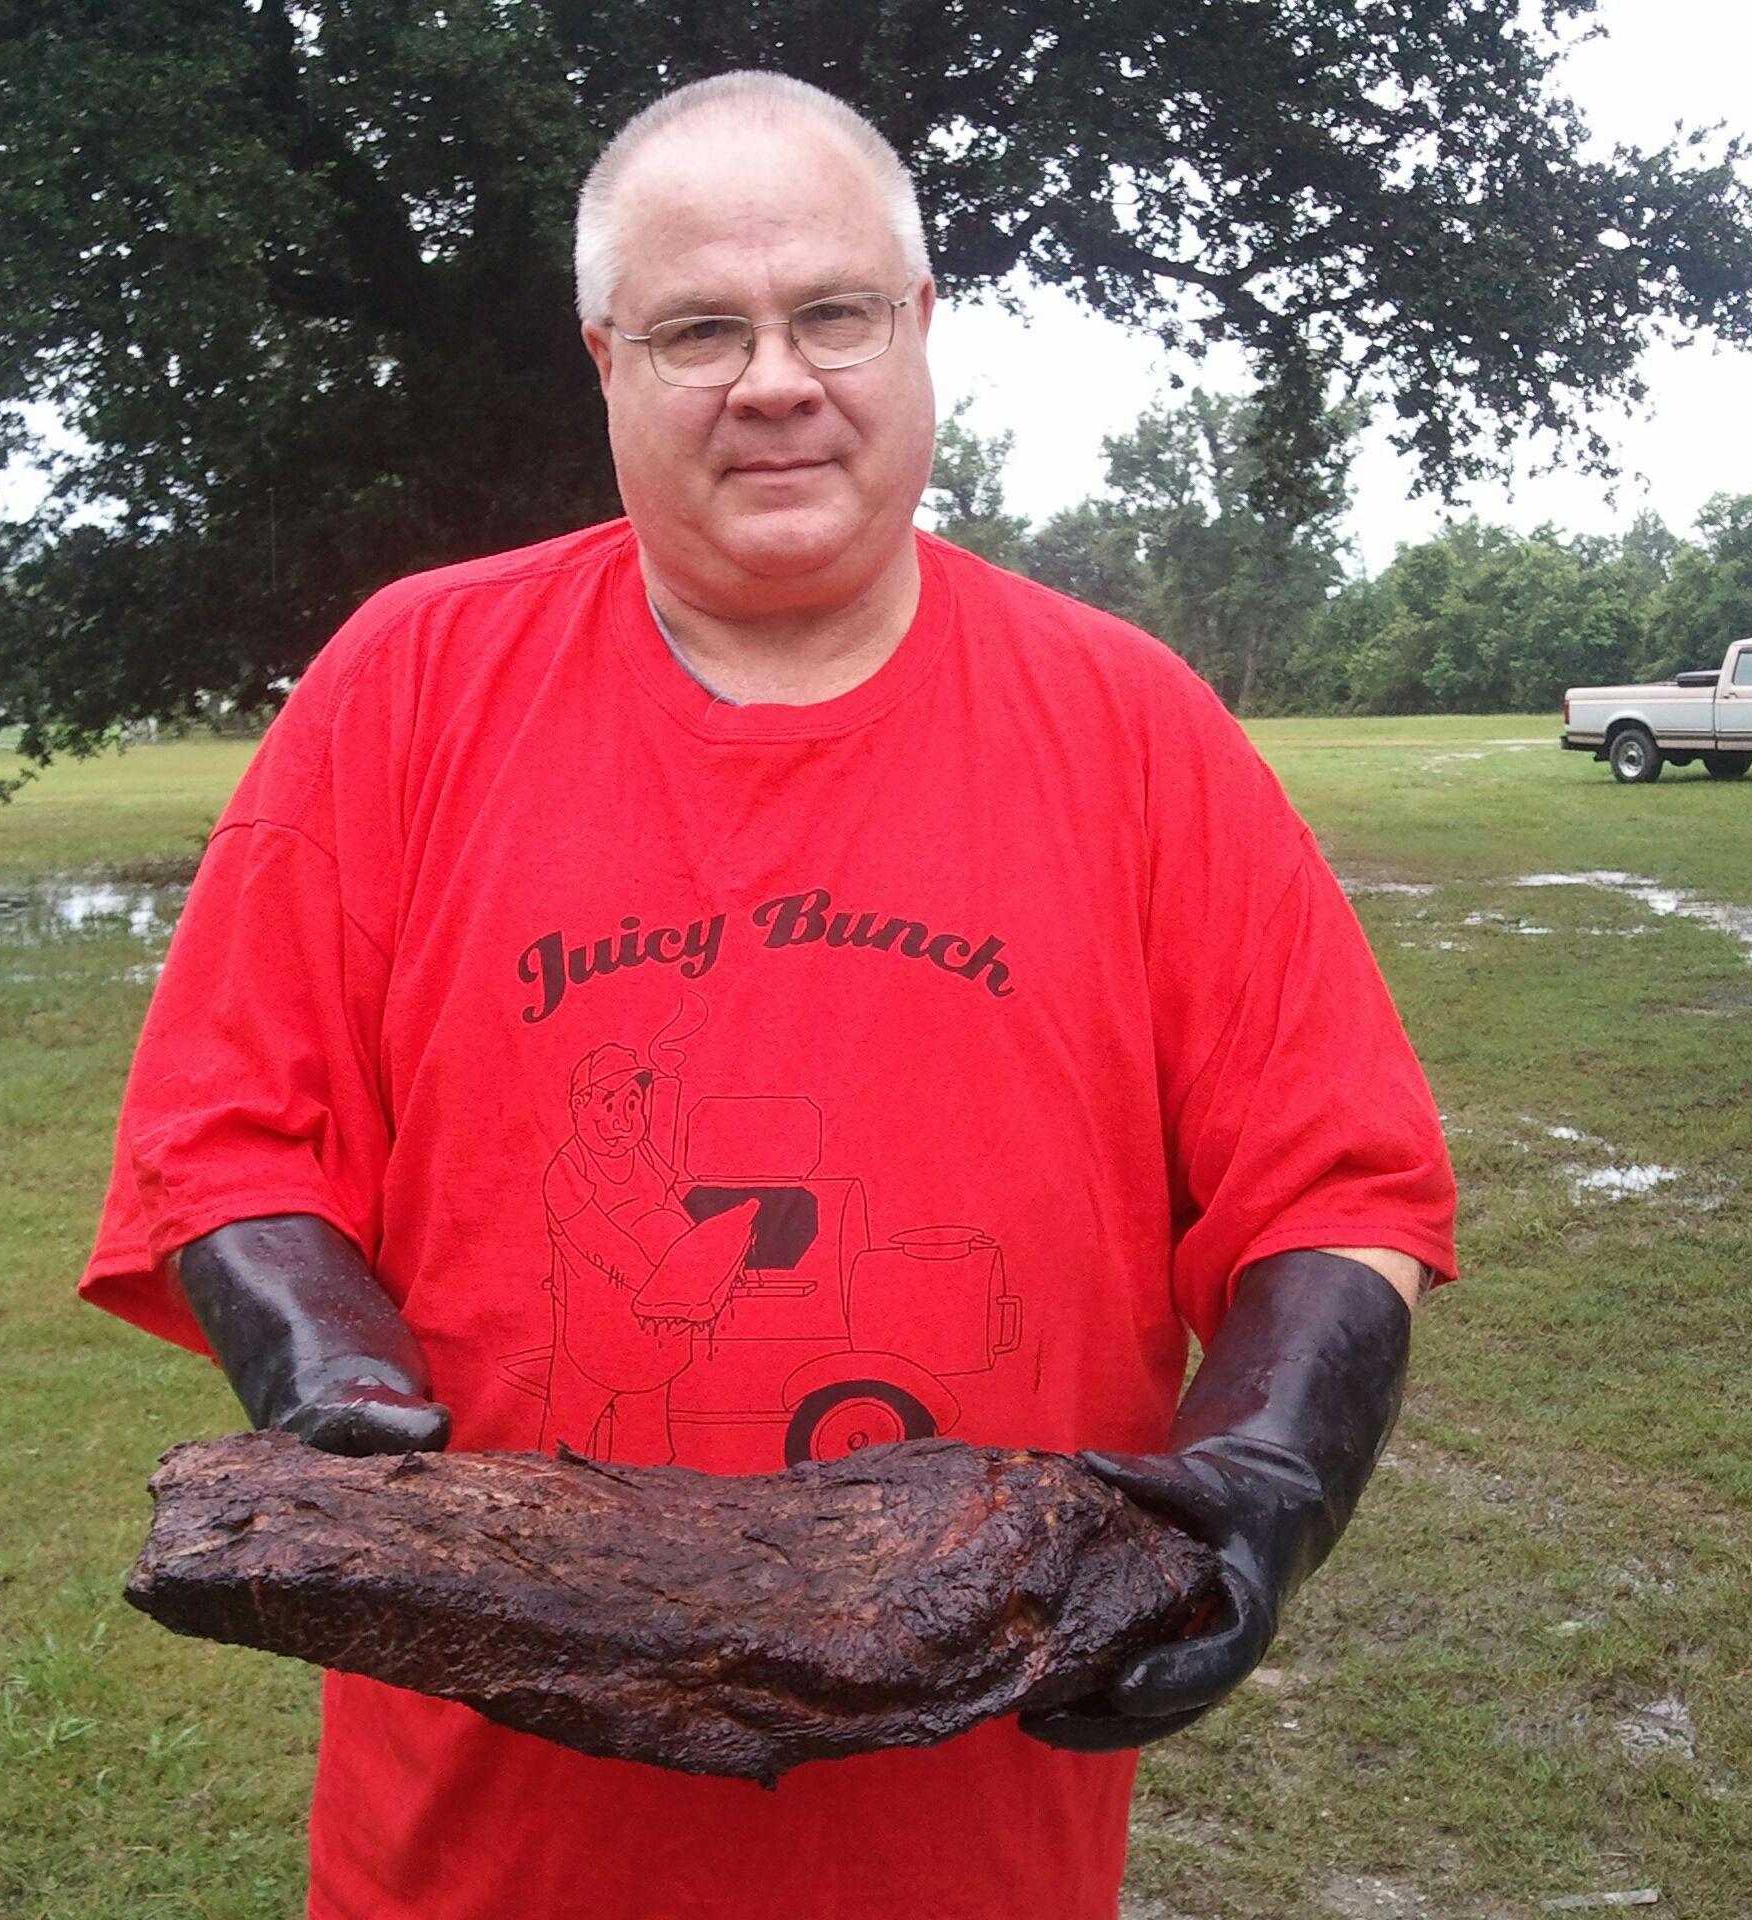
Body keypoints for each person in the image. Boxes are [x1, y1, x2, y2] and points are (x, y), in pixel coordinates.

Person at [78, 69, 1457, 1920]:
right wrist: (327, 1373)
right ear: (605, 362)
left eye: (832, 313)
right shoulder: (410, 684)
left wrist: (1277, 1466)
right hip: (478, 1852)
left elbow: (1338, 1181)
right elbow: (227, 1132)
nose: (776, 380)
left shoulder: (1132, 727)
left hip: (972, 1851)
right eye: (699, 330)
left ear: (921, 326)